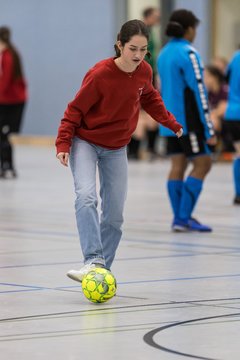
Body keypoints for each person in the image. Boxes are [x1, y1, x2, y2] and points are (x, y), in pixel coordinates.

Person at [55, 19, 183, 282]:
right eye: (132, 49)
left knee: (114, 216)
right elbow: (74, 110)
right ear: (119, 45)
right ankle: (93, 259)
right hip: (86, 142)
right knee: (86, 196)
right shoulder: (100, 74)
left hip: (117, 147)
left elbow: (150, 98)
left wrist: (170, 122)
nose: (138, 56)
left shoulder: (144, 71)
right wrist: (63, 143)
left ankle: (100, 272)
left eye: (143, 50)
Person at [157, 9, 216, 232]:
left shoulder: (163, 53)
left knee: (177, 165)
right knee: (203, 163)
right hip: (188, 122)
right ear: (190, 29)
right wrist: (209, 128)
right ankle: (182, 218)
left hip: (167, 120)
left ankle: (181, 218)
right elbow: (200, 91)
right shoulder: (189, 53)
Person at [128, 7, 161, 160]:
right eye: (155, 16)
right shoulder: (140, 34)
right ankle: (133, 150)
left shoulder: (151, 33)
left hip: (150, 74)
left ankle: (150, 149)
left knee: (151, 113)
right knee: (137, 113)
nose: (158, 18)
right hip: (141, 73)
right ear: (148, 16)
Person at [0, 26, 27, 178]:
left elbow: (5, 81)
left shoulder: (7, 56)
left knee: (5, 135)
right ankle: (7, 166)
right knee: (6, 135)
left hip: (9, 102)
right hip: (15, 101)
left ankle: (7, 166)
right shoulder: (12, 53)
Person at [223, 50, 240, 204]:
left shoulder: (235, 57)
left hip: (233, 113)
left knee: (238, 154)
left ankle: (238, 193)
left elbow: (226, 79)